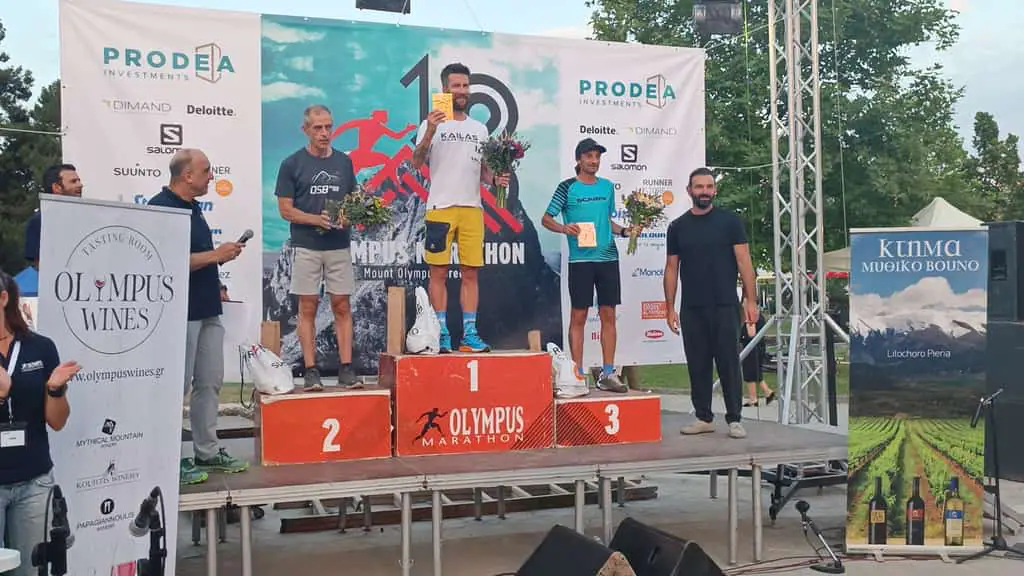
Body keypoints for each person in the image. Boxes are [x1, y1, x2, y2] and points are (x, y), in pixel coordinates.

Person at [148, 149, 249, 484]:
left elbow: (198, 257)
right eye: (206, 171)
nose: (212, 177)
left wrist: (218, 282)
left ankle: (207, 451)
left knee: (209, 382)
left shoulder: (194, 208)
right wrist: (216, 255)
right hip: (180, 312)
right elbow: (166, 261)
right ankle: (167, 459)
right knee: (176, 386)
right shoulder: (161, 208)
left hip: (208, 307)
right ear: (186, 176)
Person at [411, 62, 510, 353]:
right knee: (439, 273)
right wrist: (430, 130)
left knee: (471, 273)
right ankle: (441, 332)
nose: (462, 91)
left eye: (466, 86)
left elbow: (485, 173)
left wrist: (497, 180)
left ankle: (469, 334)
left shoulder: (479, 129)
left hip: (472, 209)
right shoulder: (431, 124)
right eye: (456, 86)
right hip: (440, 207)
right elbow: (416, 163)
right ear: (445, 89)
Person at [663, 167, 759, 439]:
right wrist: (669, 307)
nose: (704, 192)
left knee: (729, 363)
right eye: (699, 187)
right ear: (689, 191)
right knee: (698, 365)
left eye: (708, 187)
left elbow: (745, 262)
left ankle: (735, 419)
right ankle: (703, 417)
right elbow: (671, 269)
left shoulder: (730, 222)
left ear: (715, 190)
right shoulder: (677, 227)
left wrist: (751, 300)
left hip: (725, 305)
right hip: (692, 308)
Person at [0, 269, 80, 576]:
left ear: (4, 298)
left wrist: (55, 389)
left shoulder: (40, 347)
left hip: (34, 482)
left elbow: (57, 421)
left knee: (32, 570)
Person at [276, 105, 359, 391]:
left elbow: (353, 201)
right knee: (308, 306)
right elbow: (285, 210)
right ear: (306, 130)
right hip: (307, 245)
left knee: (342, 304)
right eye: (318, 128)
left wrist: (348, 217)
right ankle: (311, 371)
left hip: (338, 245)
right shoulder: (291, 164)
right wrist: (316, 219)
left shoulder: (344, 163)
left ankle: (346, 369)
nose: (324, 133)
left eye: (328, 127)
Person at [542, 138, 632, 393]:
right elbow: (546, 219)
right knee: (579, 316)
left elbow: (608, 221)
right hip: (581, 261)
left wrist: (625, 231)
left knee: (608, 315)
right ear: (579, 159)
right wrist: (564, 228)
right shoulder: (566, 187)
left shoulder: (607, 187)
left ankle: (608, 373)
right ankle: (577, 374)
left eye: (597, 157)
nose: (594, 161)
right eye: (589, 156)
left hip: (608, 259)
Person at [24, 164, 84, 270]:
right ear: (57, 187)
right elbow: (40, 266)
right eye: (73, 181)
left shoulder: (85, 218)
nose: (80, 185)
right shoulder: (40, 221)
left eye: (79, 181)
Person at [741, 311, 775, 407]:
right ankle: (767, 392)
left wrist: (745, 323)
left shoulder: (750, 315)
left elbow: (751, 333)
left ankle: (754, 398)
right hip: (758, 346)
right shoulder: (759, 315)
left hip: (752, 347)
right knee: (755, 371)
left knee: (749, 372)